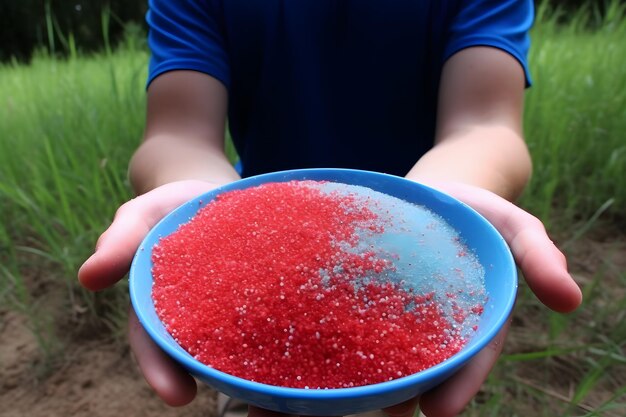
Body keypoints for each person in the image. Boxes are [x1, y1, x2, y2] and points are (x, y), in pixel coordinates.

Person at [78, 1, 583, 416]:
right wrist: (207, 200)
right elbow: (176, 132)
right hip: (251, 263)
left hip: (416, 263)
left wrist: (439, 199)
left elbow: (486, 123)